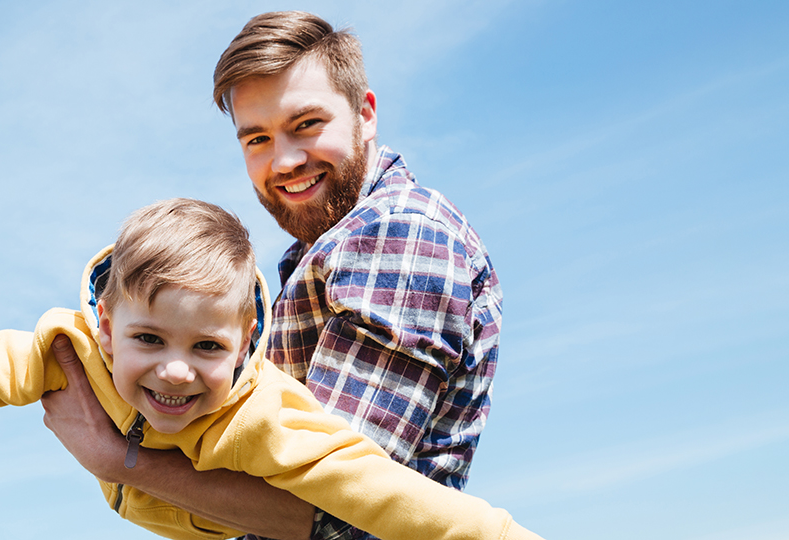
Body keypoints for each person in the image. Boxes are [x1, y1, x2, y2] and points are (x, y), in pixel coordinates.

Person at [0, 198, 538, 540]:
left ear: (247, 340)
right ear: (106, 325)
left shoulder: (265, 417)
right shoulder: (63, 351)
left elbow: (389, 493)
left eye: (209, 349)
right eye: (149, 341)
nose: (176, 373)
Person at [41, 11, 506, 540]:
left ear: (366, 114)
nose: (283, 160)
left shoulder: (398, 235)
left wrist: (117, 461)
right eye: (256, 139)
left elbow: (340, 508)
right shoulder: (319, 254)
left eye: (306, 124)